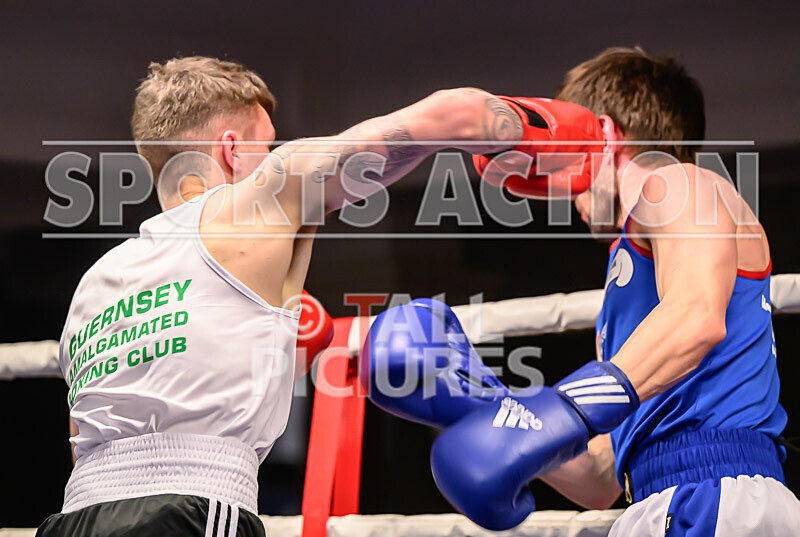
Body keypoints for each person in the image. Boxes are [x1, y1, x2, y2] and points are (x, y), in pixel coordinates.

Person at [39, 56, 599, 537]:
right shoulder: (251, 205)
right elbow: (449, 114)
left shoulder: (93, 283)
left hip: (72, 516)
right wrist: (543, 132)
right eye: (266, 145)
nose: (275, 155)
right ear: (233, 151)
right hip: (190, 510)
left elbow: (81, 441)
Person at [418, 47, 800, 535]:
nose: (560, 185)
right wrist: (484, 405)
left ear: (601, 134)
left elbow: (697, 315)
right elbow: (602, 477)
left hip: (714, 490)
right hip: (656, 499)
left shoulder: (677, 183)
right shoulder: (634, 285)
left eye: (559, 156)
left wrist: (566, 406)